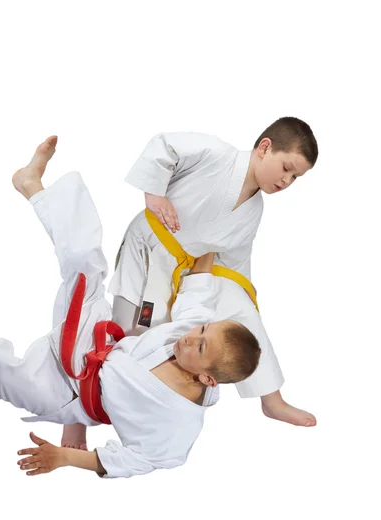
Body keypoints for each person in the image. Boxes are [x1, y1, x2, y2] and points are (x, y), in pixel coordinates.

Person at [0, 136, 261, 478]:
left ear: (207, 378)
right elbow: (198, 289)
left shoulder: (179, 422)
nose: (190, 337)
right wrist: (212, 238)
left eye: (200, 345)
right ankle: (32, 186)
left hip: (70, 395)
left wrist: (65, 458)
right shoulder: (193, 332)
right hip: (93, 340)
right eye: (202, 330)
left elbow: (136, 460)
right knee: (83, 262)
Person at [61, 117, 318, 454]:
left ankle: (271, 399)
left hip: (192, 267)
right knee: (128, 339)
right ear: (265, 147)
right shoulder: (217, 154)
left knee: (241, 310)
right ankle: (74, 417)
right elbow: (164, 146)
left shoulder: (253, 209)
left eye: (295, 177)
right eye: (286, 168)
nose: (287, 180)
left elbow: (235, 258)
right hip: (151, 254)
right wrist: (154, 195)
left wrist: (240, 296)